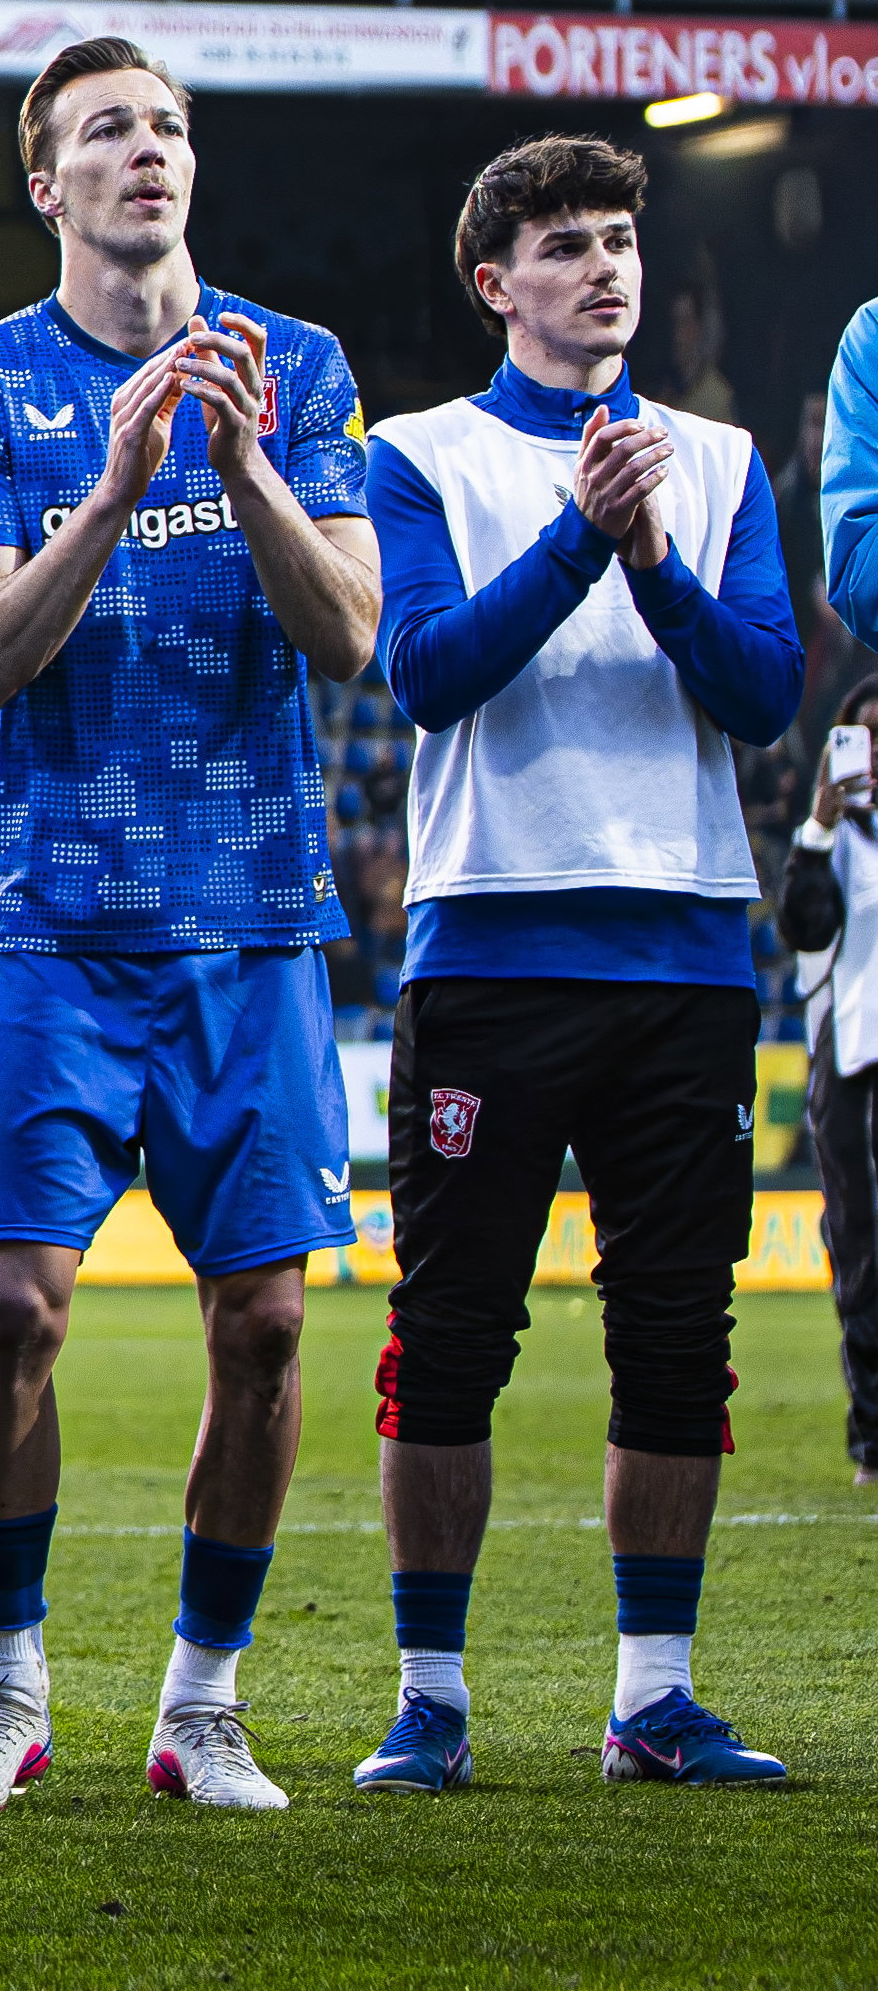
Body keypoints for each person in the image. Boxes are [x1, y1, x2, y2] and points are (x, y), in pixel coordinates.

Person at [0, 37, 378, 1817]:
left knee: (260, 1326)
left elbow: (345, 639)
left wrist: (240, 466)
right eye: (106, 128)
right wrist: (111, 487)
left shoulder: (297, 364)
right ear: (46, 182)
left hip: (251, 924)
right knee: (16, 1308)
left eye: (168, 126)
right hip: (53, 925)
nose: (145, 151)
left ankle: (201, 1702)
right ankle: (4, 1687)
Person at [355, 136, 798, 1792]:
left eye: (616, 237)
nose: (602, 266)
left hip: (685, 950)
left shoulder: (721, 457)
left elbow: (760, 693)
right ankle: (429, 1697)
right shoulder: (416, 455)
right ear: (495, 282)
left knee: (677, 1334)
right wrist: (572, 542)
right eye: (563, 245)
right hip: (489, 945)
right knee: (452, 1329)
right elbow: (423, 672)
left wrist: (653, 557)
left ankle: (652, 1696)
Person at [788, 672, 878, 1489]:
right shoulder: (833, 840)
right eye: (864, 738)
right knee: (862, 1251)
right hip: (853, 1062)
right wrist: (819, 826)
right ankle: (874, 1438)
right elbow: (803, 925)